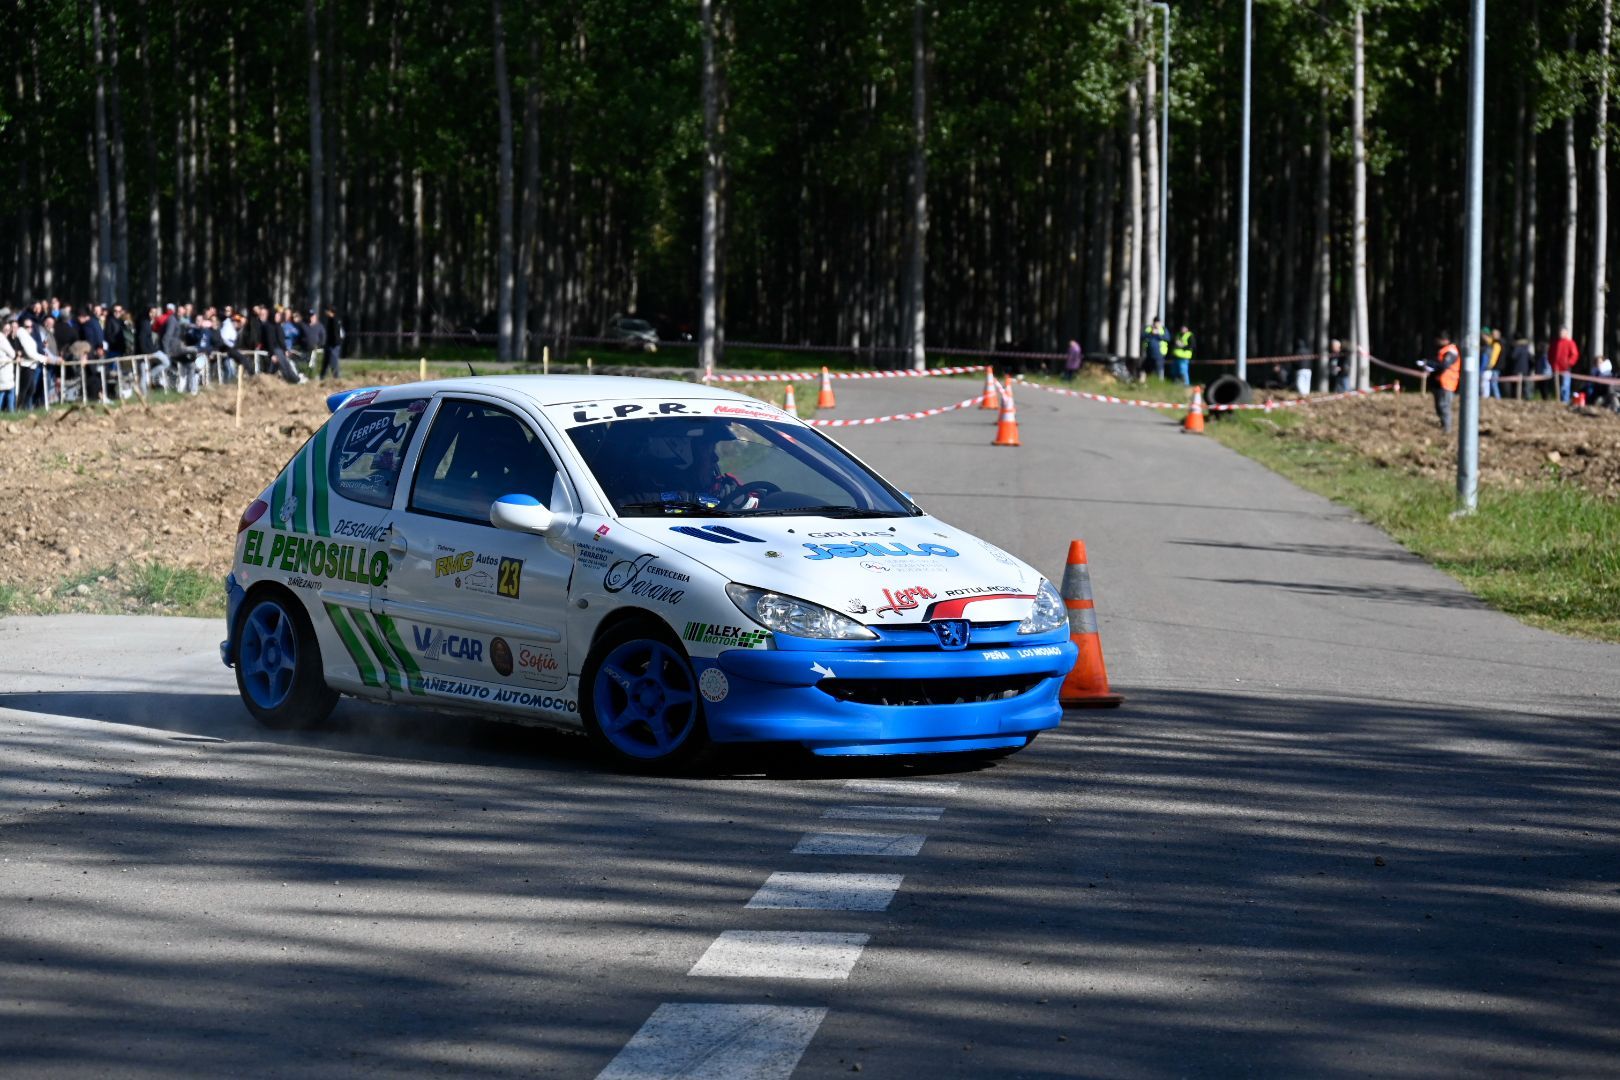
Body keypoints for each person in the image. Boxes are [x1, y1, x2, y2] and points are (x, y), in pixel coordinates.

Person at [1420, 332, 1461, 433]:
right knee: (1439, 406)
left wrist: (1430, 365)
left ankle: (1447, 429)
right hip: (1440, 382)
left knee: (1444, 405)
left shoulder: (1451, 351)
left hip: (1447, 382)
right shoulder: (1443, 350)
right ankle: (1444, 426)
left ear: (1445, 340)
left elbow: (1443, 365)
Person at [1550, 326, 1579, 403]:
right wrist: (1552, 364)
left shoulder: (1570, 343)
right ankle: (1558, 400)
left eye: (1562, 332)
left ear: (1566, 333)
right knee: (1557, 386)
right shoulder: (1555, 343)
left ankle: (1565, 401)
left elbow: (1574, 355)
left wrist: (1568, 363)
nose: (1561, 333)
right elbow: (1550, 355)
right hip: (1556, 368)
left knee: (1565, 386)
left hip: (1565, 369)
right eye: (1560, 332)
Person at [304, 309, 329, 378]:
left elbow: (323, 337)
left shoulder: (320, 326)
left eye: (312, 316)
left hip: (317, 349)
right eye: (309, 316)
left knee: (315, 364)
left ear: (315, 316)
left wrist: (319, 345)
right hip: (306, 349)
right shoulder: (305, 325)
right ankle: (307, 375)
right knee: (306, 364)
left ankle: (314, 376)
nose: (310, 317)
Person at [0, 312, 17, 412]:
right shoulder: (2, 339)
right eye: (5, 330)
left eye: (8, 330)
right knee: (7, 392)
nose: (7, 332)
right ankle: (12, 413)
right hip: (4, 371)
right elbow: (12, 354)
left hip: (5, 371)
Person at [1508, 332, 1533, 400]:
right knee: (1524, 386)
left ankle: (1516, 398)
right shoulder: (1527, 347)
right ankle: (1526, 398)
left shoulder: (1517, 347)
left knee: (1515, 387)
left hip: (1517, 370)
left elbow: (1513, 357)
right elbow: (1531, 359)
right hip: (1525, 370)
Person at [322, 305, 345, 378]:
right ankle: (323, 376)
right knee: (326, 362)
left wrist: (334, 343)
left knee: (333, 362)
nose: (325, 312)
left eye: (326, 311)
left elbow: (336, 334)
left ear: (330, 311)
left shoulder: (334, 321)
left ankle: (336, 377)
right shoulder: (334, 320)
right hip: (331, 345)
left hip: (333, 345)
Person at [1482, 327, 1504, 400]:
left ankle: (1498, 398)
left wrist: (1490, 365)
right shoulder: (1495, 343)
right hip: (1495, 366)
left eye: (1493, 334)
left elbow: (1494, 356)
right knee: (1492, 383)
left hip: (1496, 366)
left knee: (1494, 383)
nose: (1492, 335)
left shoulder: (1497, 344)